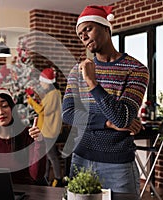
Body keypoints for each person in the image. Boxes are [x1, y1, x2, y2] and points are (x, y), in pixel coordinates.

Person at [61, 5, 149, 196]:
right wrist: (106, 122)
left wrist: (92, 83)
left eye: (88, 29)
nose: (83, 36)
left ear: (106, 28)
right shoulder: (77, 71)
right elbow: (67, 114)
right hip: (81, 158)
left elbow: (123, 119)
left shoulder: (136, 70)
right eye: (80, 33)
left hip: (118, 164)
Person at [27, 67, 63, 187]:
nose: (41, 84)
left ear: (47, 82)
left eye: (42, 82)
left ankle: (58, 179)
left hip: (49, 130)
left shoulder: (53, 94)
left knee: (52, 156)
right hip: (48, 129)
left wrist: (31, 100)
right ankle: (45, 178)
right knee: (47, 156)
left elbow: (42, 110)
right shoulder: (53, 93)